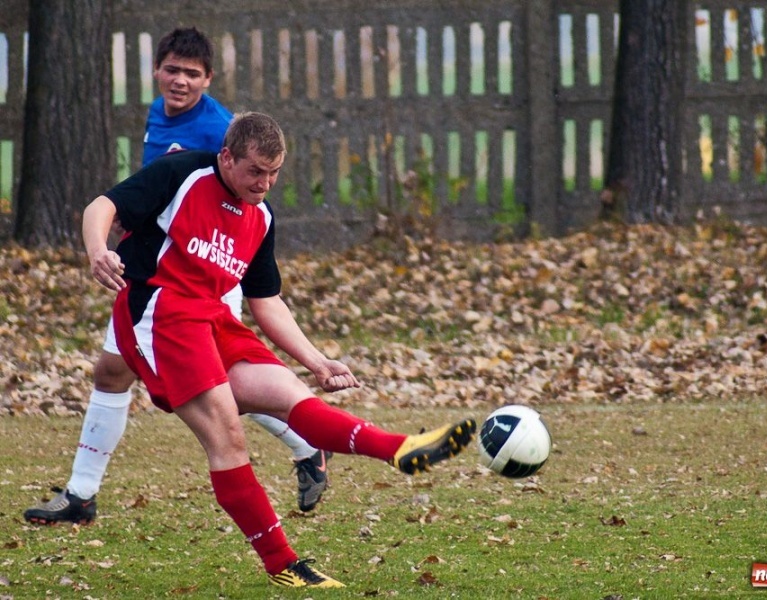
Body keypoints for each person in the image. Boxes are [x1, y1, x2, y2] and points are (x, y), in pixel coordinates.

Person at [80, 111, 475, 588]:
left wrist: (316, 360)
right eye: (254, 171)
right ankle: (282, 564)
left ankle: (400, 449)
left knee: (290, 394)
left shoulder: (261, 216)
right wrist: (98, 249)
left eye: (274, 173)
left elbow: (266, 301)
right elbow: (101, 205)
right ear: (227, 158)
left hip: (213, 319)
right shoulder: (183, 174)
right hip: (159, 317)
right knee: (228, 434)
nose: (264, 183)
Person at [24, 28, 327, 528]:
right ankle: (81, 494)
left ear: (209, 79)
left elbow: (237, 210)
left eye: (192, 73)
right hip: (156, 274)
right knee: (113, 372)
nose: (180, 81)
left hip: (199, 282)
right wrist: (132, 220)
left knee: (225, 388)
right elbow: (154, 190)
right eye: (172, 70)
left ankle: (306, 443)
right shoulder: (159, 114)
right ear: (157, 71)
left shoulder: (221, 132)